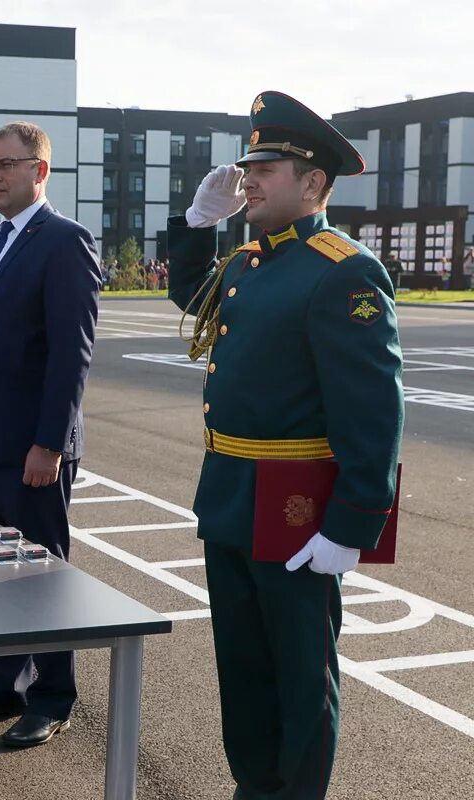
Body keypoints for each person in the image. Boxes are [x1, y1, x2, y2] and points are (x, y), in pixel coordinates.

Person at [166, 91, 404, 800]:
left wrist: (353, 525)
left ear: (313, 183)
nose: (250, 179)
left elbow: (372, 412)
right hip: (232, 493)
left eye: (268, 167)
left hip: (297, 507)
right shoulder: (246, 263)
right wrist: (194, 226)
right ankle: (256, 784)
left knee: (301, 671)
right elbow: (195, 297)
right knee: (242, 662)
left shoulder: (344, 270)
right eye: (249, 166)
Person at [0, 122, 101, 748]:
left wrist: (51, 443)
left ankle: (53, 693)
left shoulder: (65, 241)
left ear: (41, 171)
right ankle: (5, 678)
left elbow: (71, 354)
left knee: (41, 573)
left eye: (7, 164)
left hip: (35, 448)